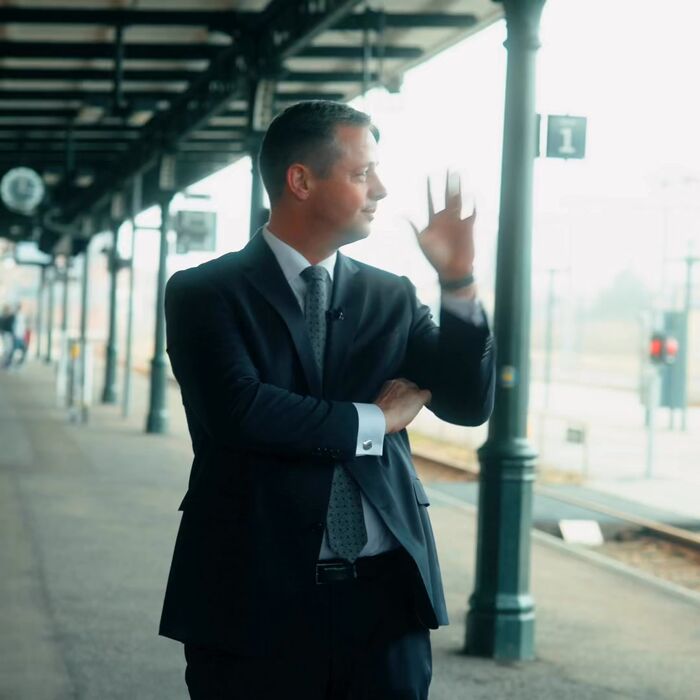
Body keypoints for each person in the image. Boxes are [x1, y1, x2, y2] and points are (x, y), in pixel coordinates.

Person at [159, 100, 495, 699]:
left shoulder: (391, 297)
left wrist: (458, 281)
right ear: (301, 181)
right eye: (363, 173)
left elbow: (468, 404)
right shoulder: (204, 293)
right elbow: (241, 412)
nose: (380, 190)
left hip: (386, 605)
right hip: (251, 601)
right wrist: (376, 420)